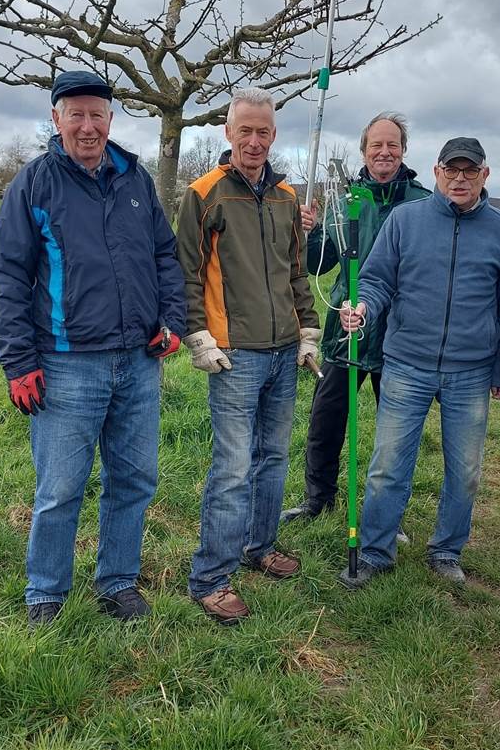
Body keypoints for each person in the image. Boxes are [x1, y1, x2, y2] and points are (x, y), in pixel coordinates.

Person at [0, 69, 186, 628]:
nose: (88, 125)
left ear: (111, 118)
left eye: (97, 113)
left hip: (139, 361)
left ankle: (117, 581)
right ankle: (45, 592)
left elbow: (165, 258)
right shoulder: (35, 184)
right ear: (56, 119)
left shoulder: (136, 180)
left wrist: (171, 319)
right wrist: (18, 361)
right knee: (61, 487)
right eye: (76, 114)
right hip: (67, 363)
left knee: (135, 479)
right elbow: (5, 274)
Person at [338, 137, 500, 588]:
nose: (460, 179)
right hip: (406, 364)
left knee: (466, 470)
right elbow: (377, 280)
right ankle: (377, 550)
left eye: (469, 171)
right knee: (388, 464)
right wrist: (363, 308)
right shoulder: (404, 220)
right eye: (451, 170)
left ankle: (446, 550)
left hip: (471, 370)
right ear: (436, 172)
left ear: (484, 175)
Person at [177, 87, 321, 625]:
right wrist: (197, 335)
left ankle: (260, 547)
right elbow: (186, 272)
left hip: (284, 353)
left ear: (274, 134)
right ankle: (211, 577)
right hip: (234, 357)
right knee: (233, 468)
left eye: (263, 131)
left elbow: (295, 272)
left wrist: (307, 329)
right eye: (246, 131)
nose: (255, 140)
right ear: (228, 133)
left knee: (274, 459)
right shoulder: (204, 193)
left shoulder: (286, 198)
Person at [280, 112, 430, 525]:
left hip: (401, 333)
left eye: (392, 144)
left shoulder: (422, 203)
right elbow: (316, 263)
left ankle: (387, 516)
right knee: (326, 419)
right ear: (364, 150)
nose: (384, 151)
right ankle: (317, 500)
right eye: (376, 144)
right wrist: (305, 232)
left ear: (403, 150)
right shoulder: (347, 200)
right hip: (346, 328)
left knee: (396, 434)